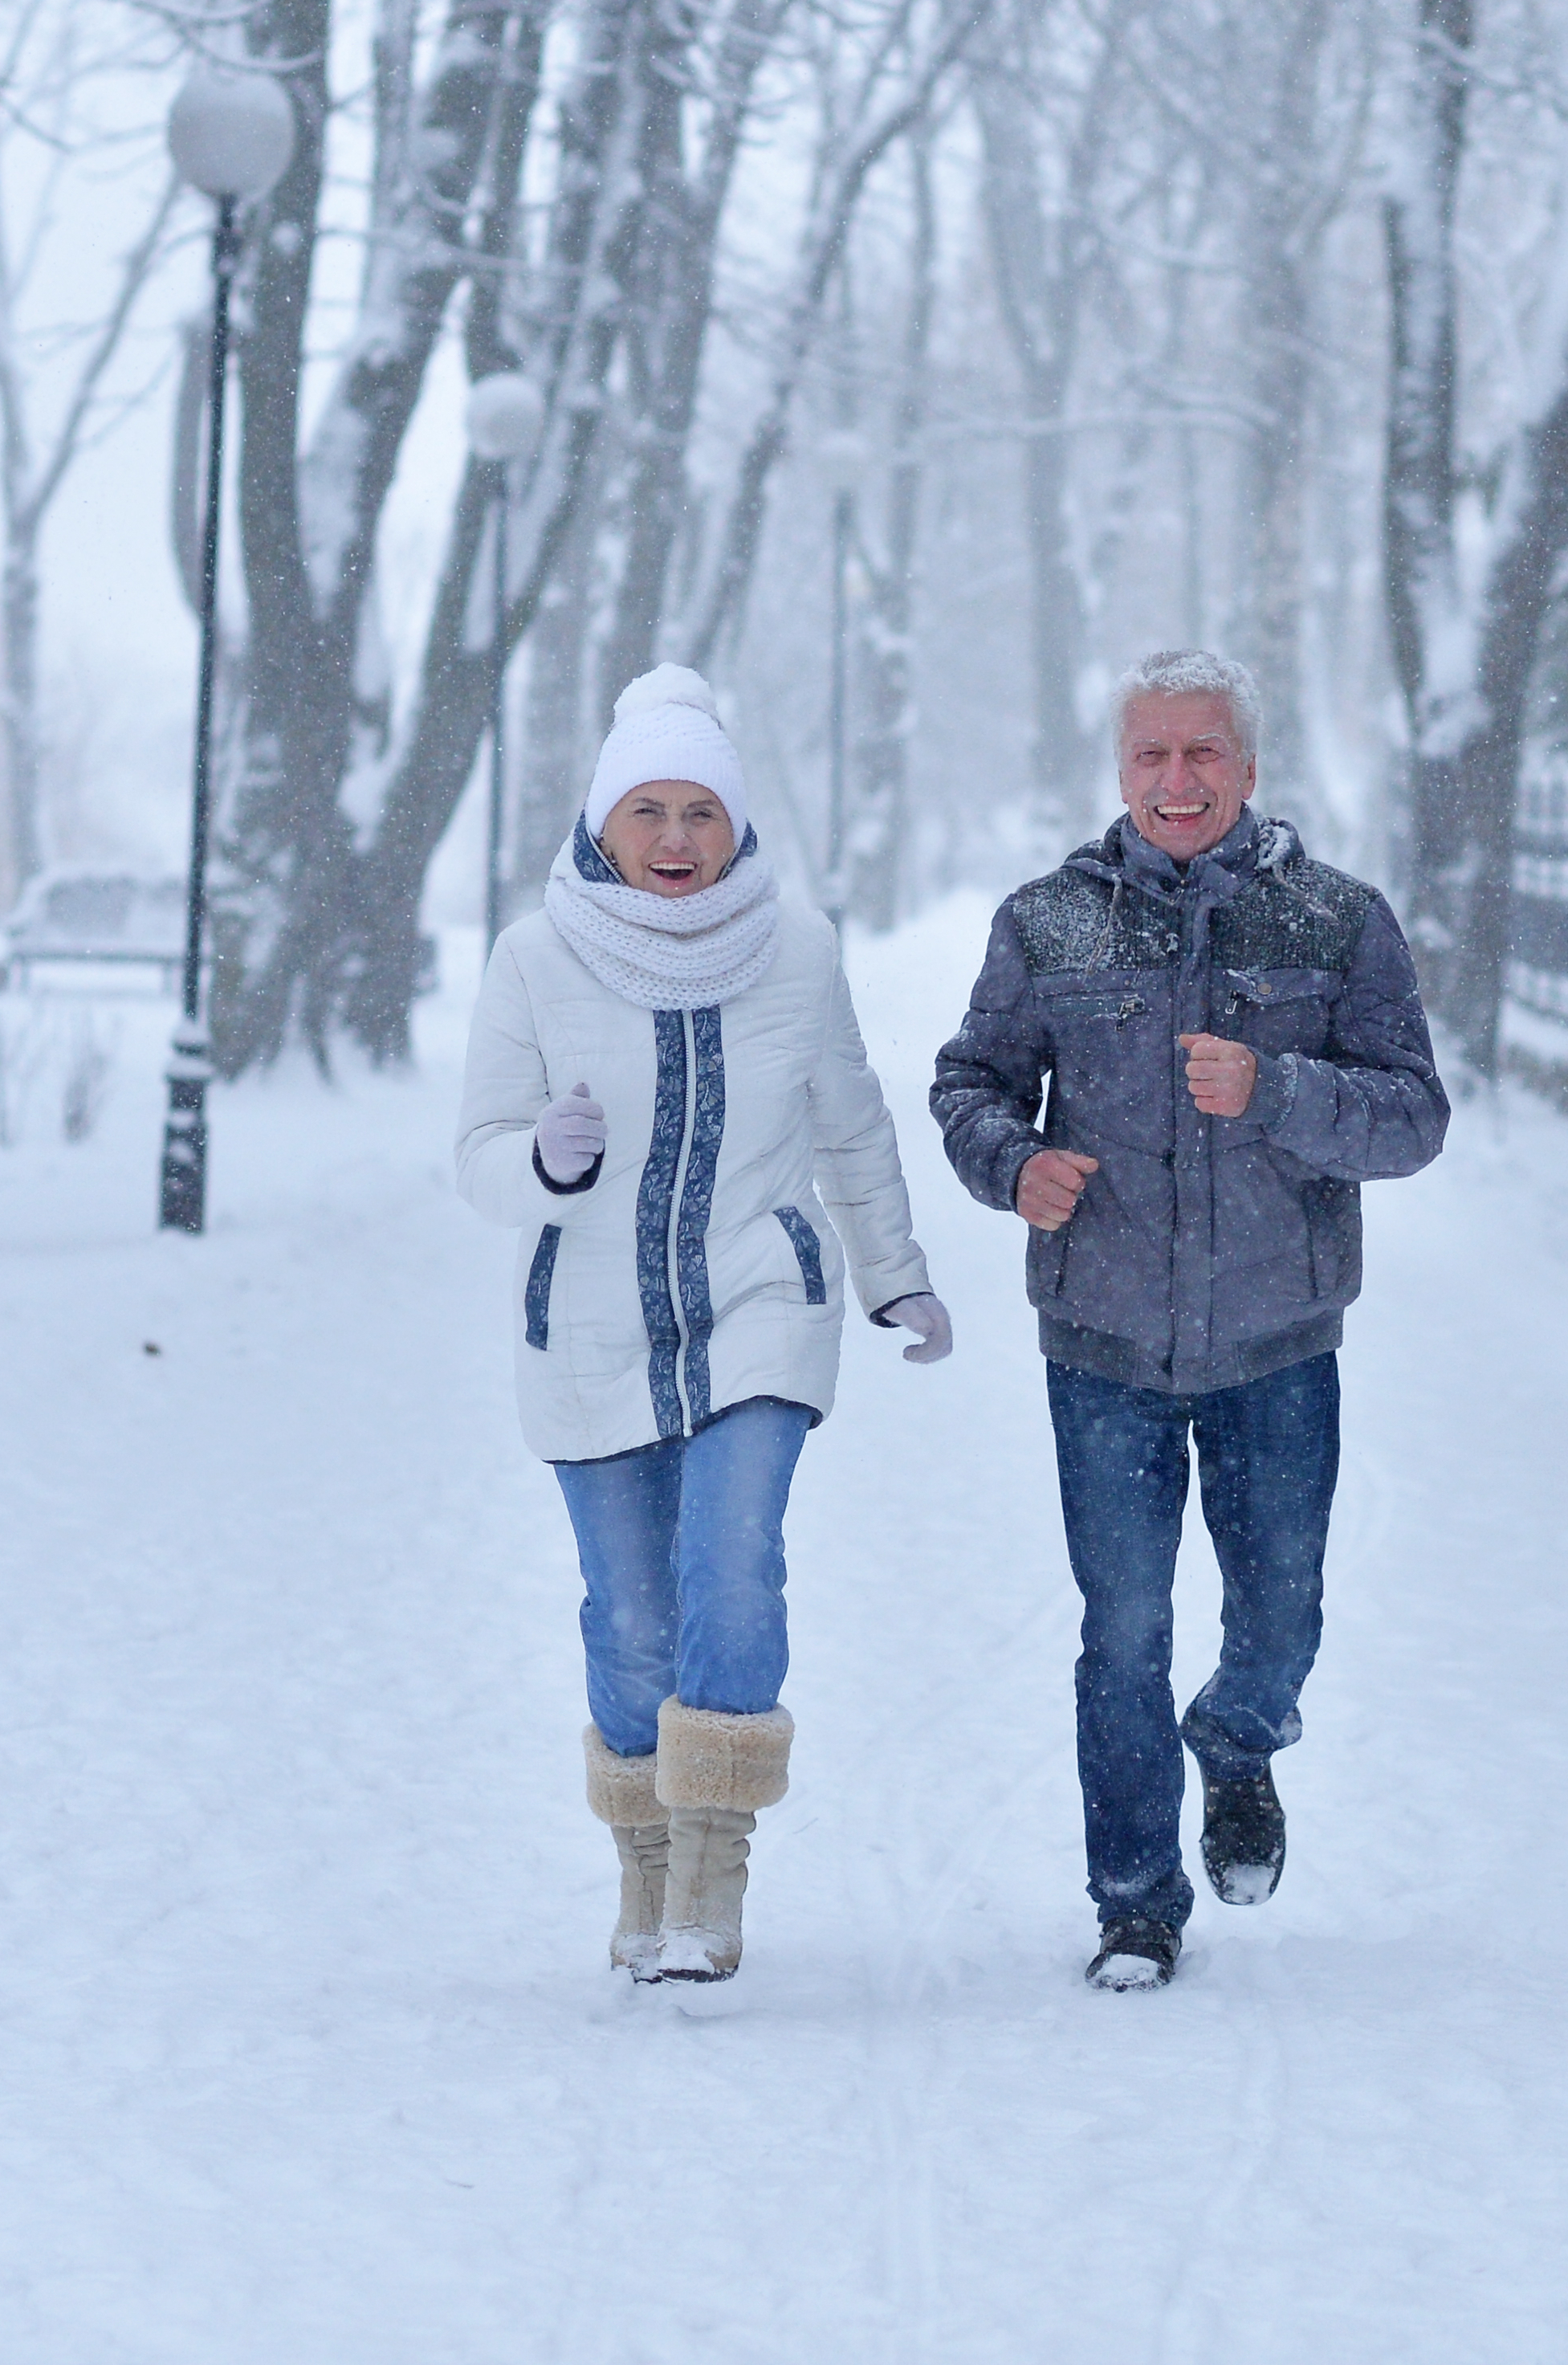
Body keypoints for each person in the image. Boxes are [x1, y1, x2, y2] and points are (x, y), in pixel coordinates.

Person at [931, 648, 1448, 1989]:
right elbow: (972, 1085)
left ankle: (1238, 1740)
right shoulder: (1049, 923)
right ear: (1121, 770)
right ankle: (1136, 1903)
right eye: (1152, 755)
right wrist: (1012, 1165)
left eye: (1202, 753)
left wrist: (1275, 1088)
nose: (1177, 780)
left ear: (1249, 767)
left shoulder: (1336, 922)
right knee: (1124, 1628)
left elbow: (1413, 1119)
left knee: (1280, 1616)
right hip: (1102, 1345)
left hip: (1279, 1344)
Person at [455, 664, 953, 1987]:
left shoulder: (797, 950)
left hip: (756, 1310)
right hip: (591, 1330)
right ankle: (645, 1867)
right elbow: (478, 1155)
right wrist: (544, 1163)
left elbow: (850, 1126)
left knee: (732, 1564)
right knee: (627, 1612)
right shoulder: (533, 957)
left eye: (700, 815)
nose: (676, 840)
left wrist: (893, 1270)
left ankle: (714, 1874)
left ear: (737, 828)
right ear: (603, 823)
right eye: (649, 812)